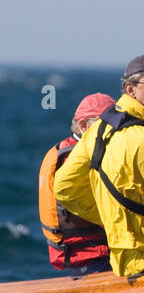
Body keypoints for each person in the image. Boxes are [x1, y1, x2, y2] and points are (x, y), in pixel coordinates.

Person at [53, 55, 144, 277]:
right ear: (130, 89)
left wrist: (113, 220)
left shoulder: (99, 129)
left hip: (121, 258)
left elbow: (64, 187)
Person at [37, 93, 116, 274]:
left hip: (83, 257)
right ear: (83, 126)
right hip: (94, 255)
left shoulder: (60, 151)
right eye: (108, 124)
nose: (116, 129)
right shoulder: (74, 161)